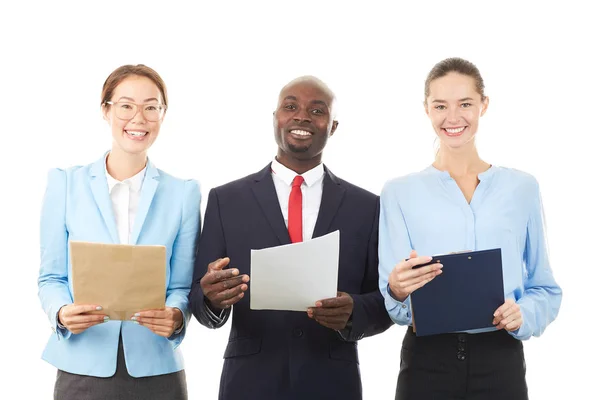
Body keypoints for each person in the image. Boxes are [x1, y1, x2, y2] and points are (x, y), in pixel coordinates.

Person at [189, 76, 391, 400]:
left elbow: (385, 300)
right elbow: (198, 298)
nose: (302, 117)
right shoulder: (226, 200)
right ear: (275, 119)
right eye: (291, 106)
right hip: (249, 384)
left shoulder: (366, 207)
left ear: (333, 126)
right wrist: (211, 297)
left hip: (332, 384)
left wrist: (353, 311)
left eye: (317, 110)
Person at [378, 57, 562, 400]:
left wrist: (523, 313)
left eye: (465, 104)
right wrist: (397, 289)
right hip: (426, 360)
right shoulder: (398, 192)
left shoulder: (521, 188)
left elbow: (545, 288)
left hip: (500, 359)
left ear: (483, 105)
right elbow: (394, 304)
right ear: (426, 110)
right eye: (440, 106)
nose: (453, 118)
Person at [38, 64, 200, 400]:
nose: (138, 118)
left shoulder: (184, 194)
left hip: (157, 370)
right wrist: (61, 312)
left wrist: (176, 316)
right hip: (82, 367)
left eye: (151, 107)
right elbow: (51, 278)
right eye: (126, 105)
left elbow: (182, 285)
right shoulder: (65, 184)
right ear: (105, 110)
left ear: (162, 114)